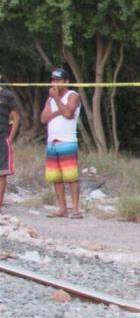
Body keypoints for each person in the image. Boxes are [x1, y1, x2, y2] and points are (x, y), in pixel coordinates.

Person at [40, 68, 82, 219]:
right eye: (53, 80)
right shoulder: (50, 99)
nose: (55, 83)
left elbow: (68, 113)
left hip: (67, 140)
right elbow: (43, 119)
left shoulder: (73, 95)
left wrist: (57, 99)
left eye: (58, 80)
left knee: (71, 176)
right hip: (52, 141)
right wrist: (57, 109)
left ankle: (76, 209)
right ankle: (62, 208)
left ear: (66, 82)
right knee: (55, 178)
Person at [0, 81, 21, 211]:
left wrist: (10, 138)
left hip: (2, 138)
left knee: (1, 173)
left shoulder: (7, 95)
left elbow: (16, 117)